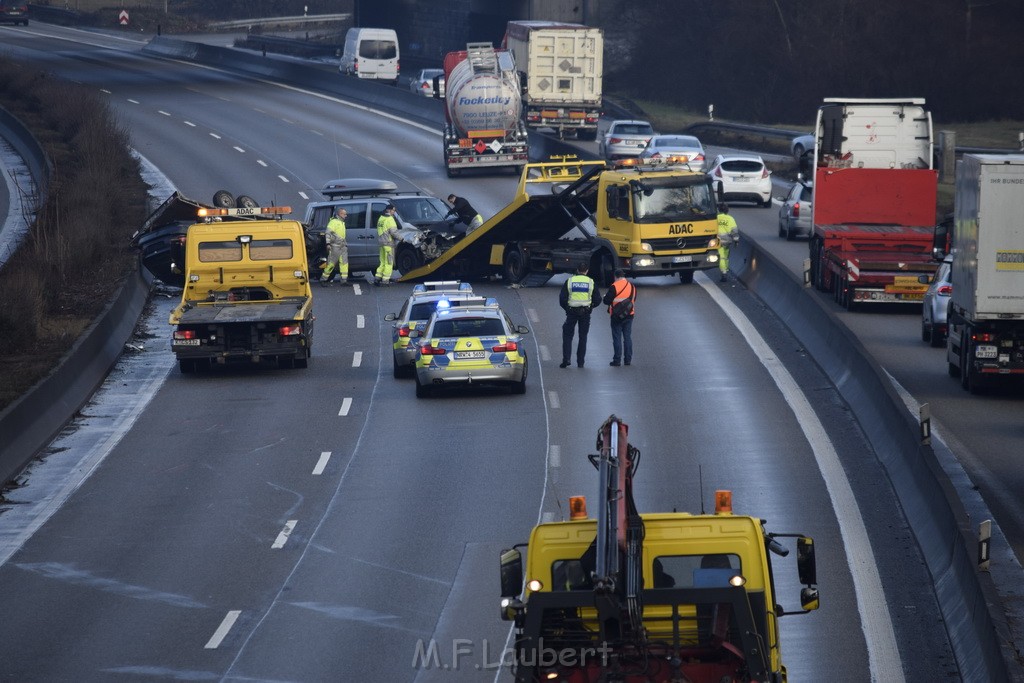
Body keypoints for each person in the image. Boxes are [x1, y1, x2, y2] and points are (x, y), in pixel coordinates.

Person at [559, 263, 601, 368]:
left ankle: (566, 359)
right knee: (583, 337)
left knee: (567, 335)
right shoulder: (591, 282)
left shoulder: (570, 281)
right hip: (585, 312)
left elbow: (562, 299)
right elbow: (598, 299)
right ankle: (580, 362)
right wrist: (591, 307)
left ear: (577, 270)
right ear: (587, 271)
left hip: (572, 312)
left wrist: (567, 309)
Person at [603, 269, 636, 366]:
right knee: (627, 337)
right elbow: (634, 299)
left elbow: (606, 301)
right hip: (629, 315)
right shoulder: (632, 286)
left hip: (616, 316)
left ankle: (617, 360)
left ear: (615, 276)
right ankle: (628, 360)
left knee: (617, 337)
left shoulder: (614, 286)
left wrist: (606, 296)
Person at [320, 207, 349, 286]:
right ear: (340, 214)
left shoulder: (341, 222)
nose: (346, 216)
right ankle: (323, 279)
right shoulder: (333, 222)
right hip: (335, 246)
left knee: (344, 263)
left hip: (342, 246)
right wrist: (328, 244)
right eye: (345, 214)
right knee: (331, 263)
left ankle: (344, 280)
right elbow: (328, 233)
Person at [374, 204, 400, 285]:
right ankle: (385, 280)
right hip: (388, 244)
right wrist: (402, 239)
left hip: (382, 243)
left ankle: (377, 277)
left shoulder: (381, 218)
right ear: (389, 210)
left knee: (382, 262)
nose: (394, 212)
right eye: (393, 210)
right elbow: (394, 232)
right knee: (389, 262)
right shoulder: (390, 219)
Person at [716, 203, 739, 283]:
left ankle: (723, 273)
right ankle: (725, 269)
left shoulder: (716, 218)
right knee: (725, 257)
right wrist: (736, 240)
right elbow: (734, 231)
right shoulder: (730, 219)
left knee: (721, 257)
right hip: (728, 241)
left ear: (719, 209)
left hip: (718, 241)